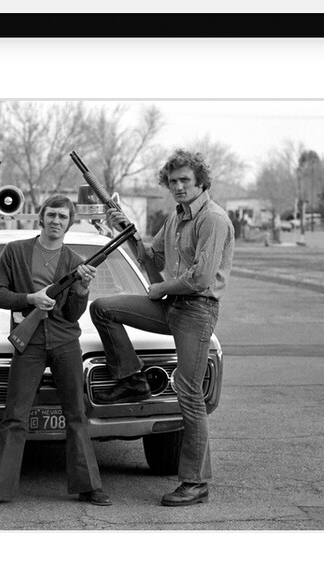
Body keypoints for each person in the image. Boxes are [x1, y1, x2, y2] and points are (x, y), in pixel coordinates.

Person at [89, 149, 234, 507]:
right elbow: (150, 258)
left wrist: (161, 289)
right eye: (173, 181)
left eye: (186, 180)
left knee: (188, 391)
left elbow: (200, 278)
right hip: (171, 307)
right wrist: (123, 228)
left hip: (197, 311)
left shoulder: (213, 219)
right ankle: (132, 379)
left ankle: (195, 483)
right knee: (104, 308)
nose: (179, 186)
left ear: (201, 182)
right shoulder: (176, 218)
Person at [0, 194, 110, 509]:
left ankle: (89, 486)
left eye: (63, 217)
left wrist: (82, 289)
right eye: (51, 215)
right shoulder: (16, 252)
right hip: (30, 342)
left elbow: (74, 313)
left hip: (65, 342)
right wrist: (30, 299)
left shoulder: (76, 261)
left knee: (76, 414)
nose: (56, 222)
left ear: (69, 222)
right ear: (41, 217)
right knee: (15, 416)